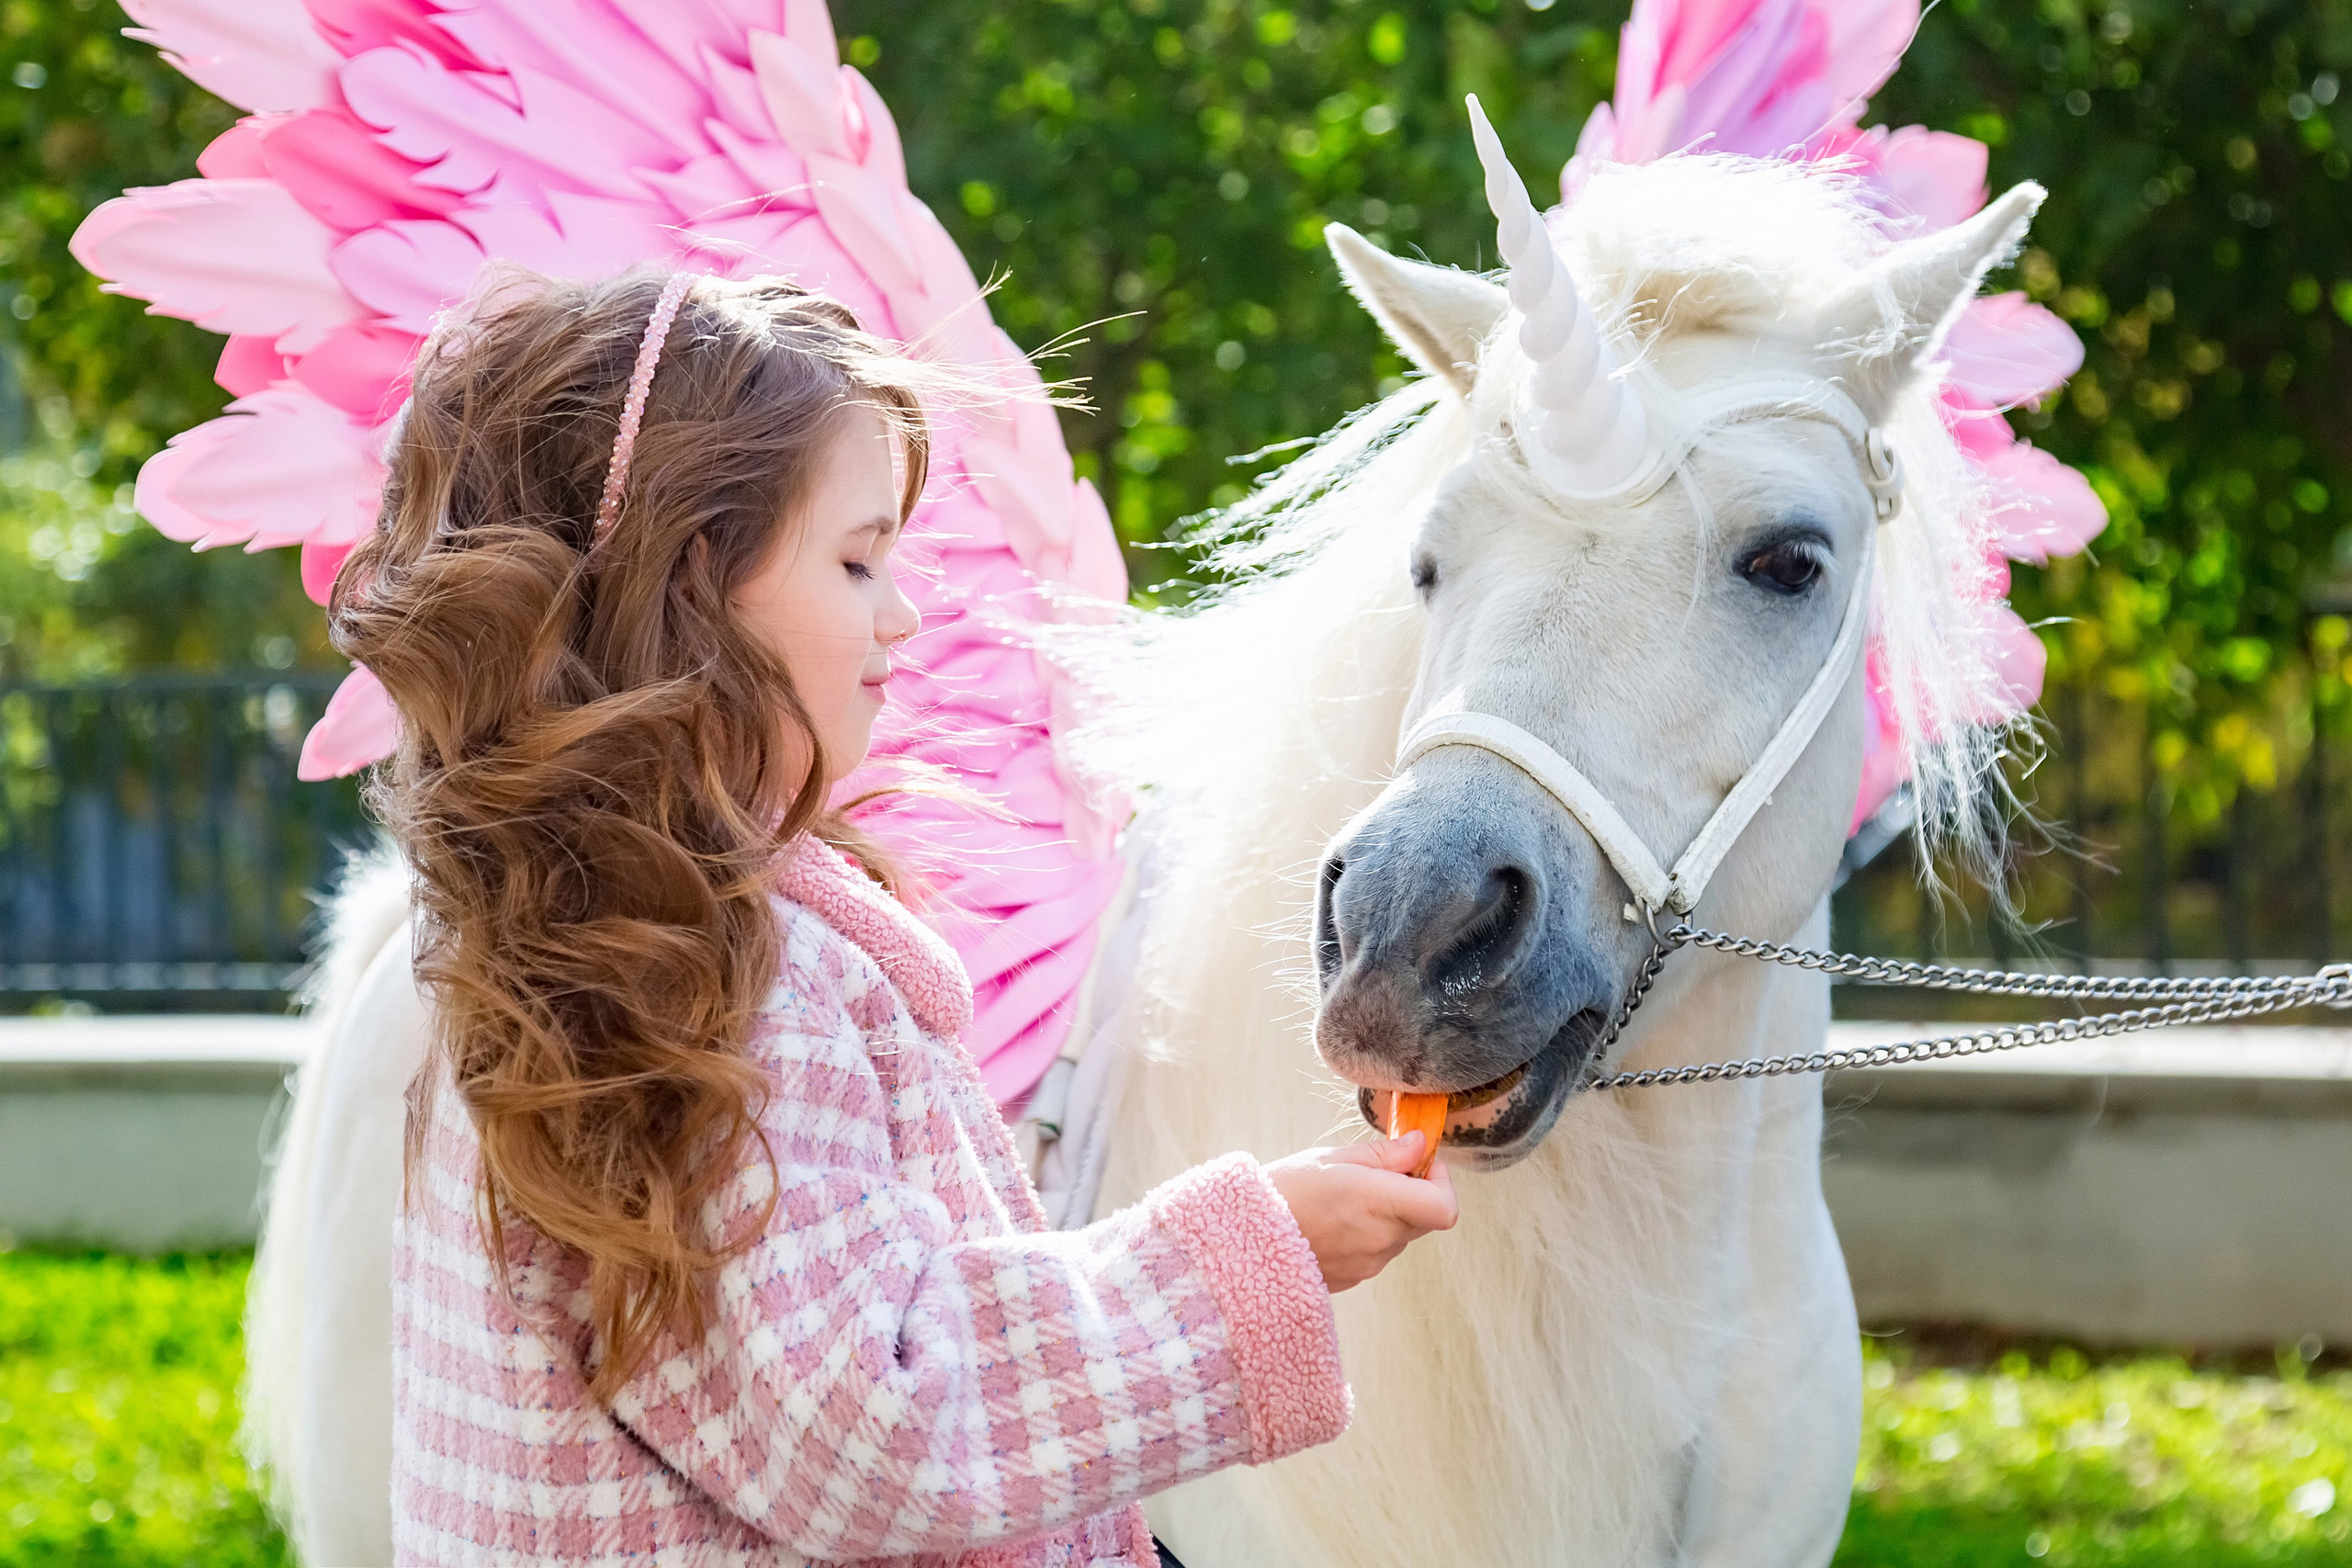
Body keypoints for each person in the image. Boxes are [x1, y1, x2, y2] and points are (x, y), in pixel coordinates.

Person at [330, 267, 1458, 1568]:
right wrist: (1245, 1264)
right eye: (858, 559)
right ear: (683, 586)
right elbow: (880, 1423)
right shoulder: (731, 987)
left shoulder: (536, 937)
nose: (903, 612)